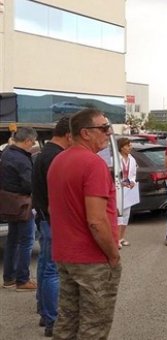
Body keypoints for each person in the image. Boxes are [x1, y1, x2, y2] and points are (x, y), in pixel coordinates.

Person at [48, 109, 121, 339]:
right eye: (103, 128)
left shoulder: (58, 160)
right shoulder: (94, 164)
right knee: (94, 326)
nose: (108, 133)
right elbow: (96, 221)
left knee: (67, 320)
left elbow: (53, 209)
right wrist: (113, 255)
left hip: (65, 255)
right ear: (85, 133)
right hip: (92, 259)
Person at [32, 117, 71, 337]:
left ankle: (44, 310)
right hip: (52, 220)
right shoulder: (56, 157)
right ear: (68, 135)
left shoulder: (43, 153)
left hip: (44, 218)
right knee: (52, 271)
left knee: (45, 267)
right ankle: (52, 320)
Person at [1, 127, 38, 291]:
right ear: (28, 141)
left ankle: (9, 278)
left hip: (9, 203)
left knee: (12, 240)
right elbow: (28, 184)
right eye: (33, 143)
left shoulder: (7, 153)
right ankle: (23, 279)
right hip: (23, 204)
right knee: (26, 242)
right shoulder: (22, 159)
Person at [116, 137, 137, 249]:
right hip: (118, 189)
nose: (130, 147)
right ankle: (116, 239)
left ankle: (121, 238)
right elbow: (113, 174)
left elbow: (133, 174)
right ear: (121, 147)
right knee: (118, 215)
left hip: (128, 190)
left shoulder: (132, 159)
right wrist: (121, 182)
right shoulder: (115, 158)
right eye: (128, 146)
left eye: (130, 145)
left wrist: (132, 182)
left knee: (126, 215)